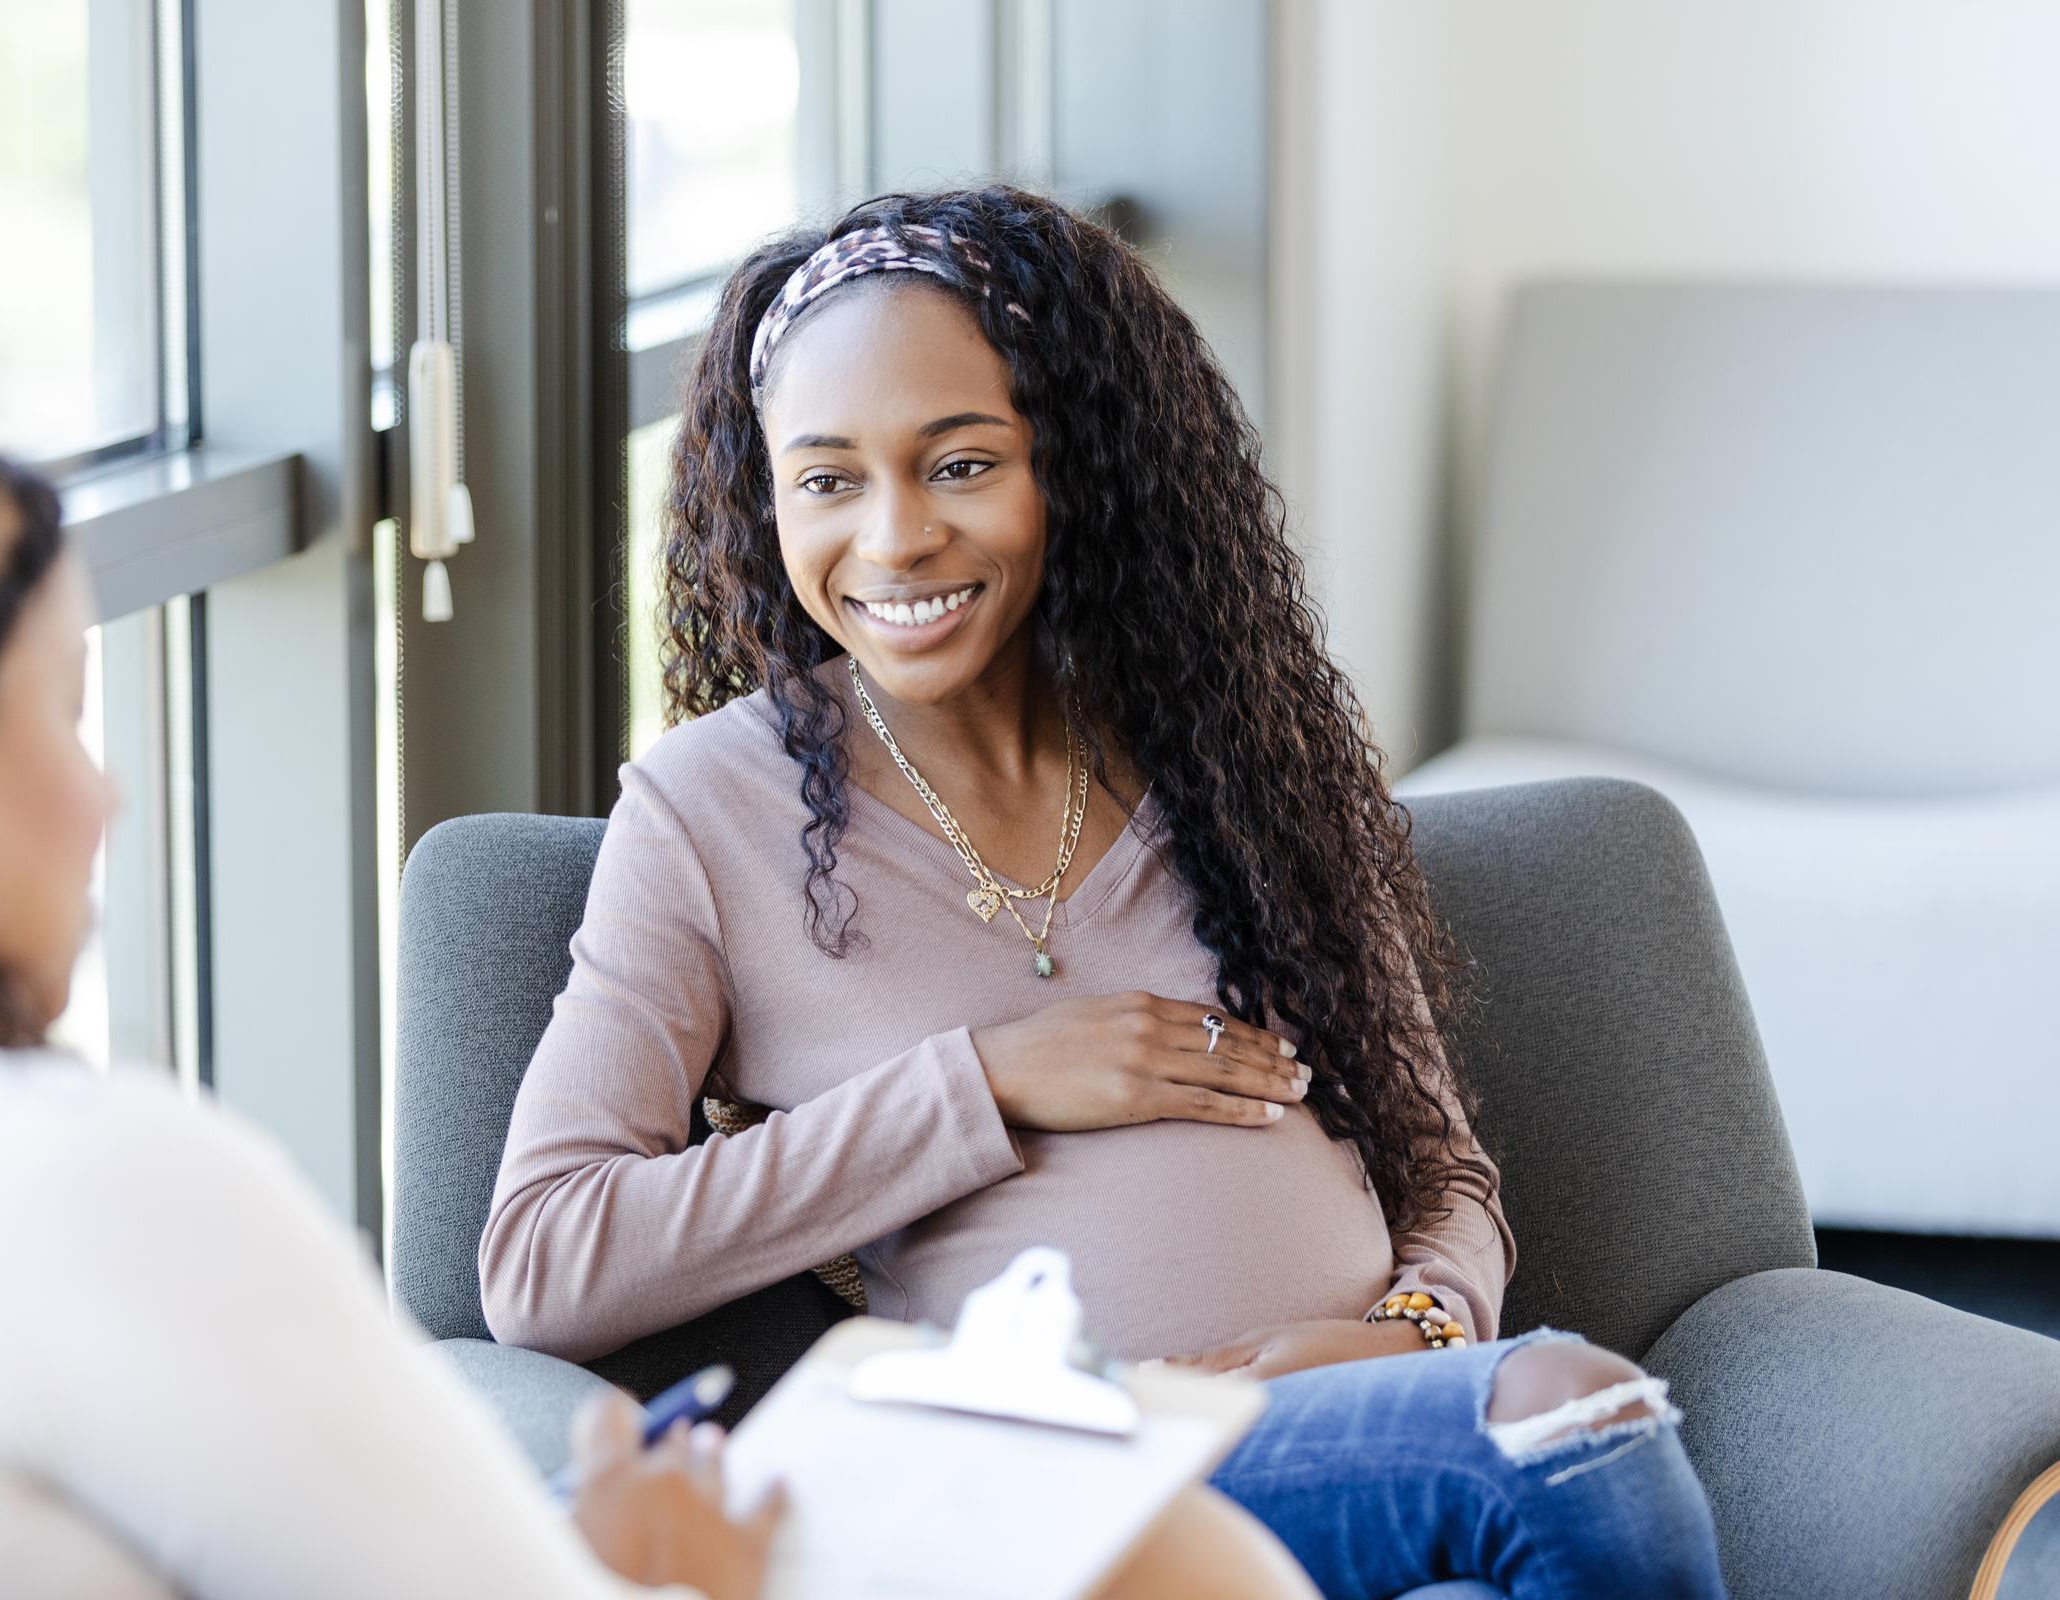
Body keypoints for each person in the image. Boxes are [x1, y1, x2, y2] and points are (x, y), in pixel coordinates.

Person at [0, 383, 1308, 1600]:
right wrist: (658, 1571)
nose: (104, 803)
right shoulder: (71, 1184)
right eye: (56, 717)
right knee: (1178, 1556)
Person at [480, 187, 1732, 1598]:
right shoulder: (707, 814)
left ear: (1069, 466)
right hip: (1045, 1478)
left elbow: (1441, 1167)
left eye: (960, 465)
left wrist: (1416, 1334)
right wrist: (984, 1085)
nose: (893, 540)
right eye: (827, 479)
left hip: (1351, 1435)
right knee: (1572, 1417)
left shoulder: (1234, 758)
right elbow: (545, 1256)